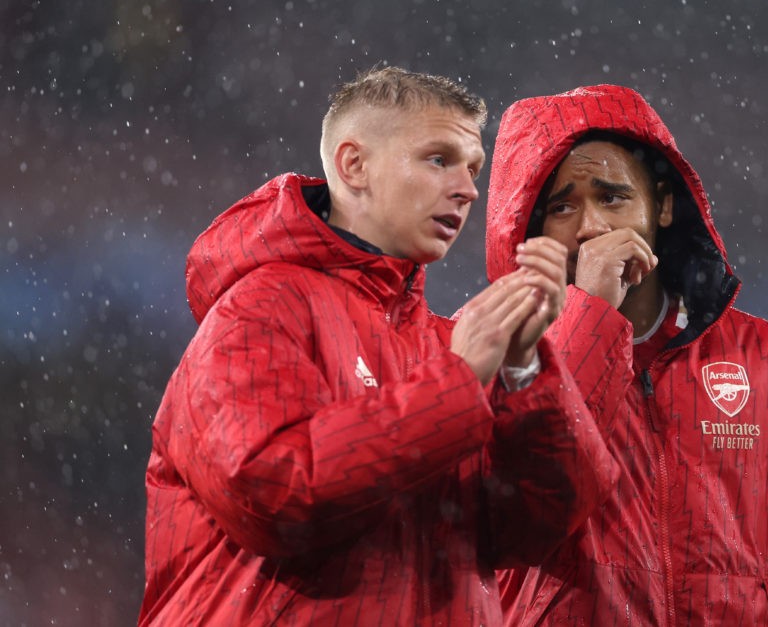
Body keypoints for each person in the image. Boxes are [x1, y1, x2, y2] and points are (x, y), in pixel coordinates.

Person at [138, 67, 617, 626]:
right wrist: (455, 385)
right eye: (438, 159)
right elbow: (270, 495)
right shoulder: (259, 308)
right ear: (353, 166)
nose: (467, 189)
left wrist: (524, 369)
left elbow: (537, 531)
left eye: (473, 169)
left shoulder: (449, 344)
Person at [486, 84, 768, 625]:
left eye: (612, 197)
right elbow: (519, 509)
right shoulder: (487, 351)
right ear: (530, 228)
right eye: (562, 207)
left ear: (663, 206)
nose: (591, 227)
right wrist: (591, 318)